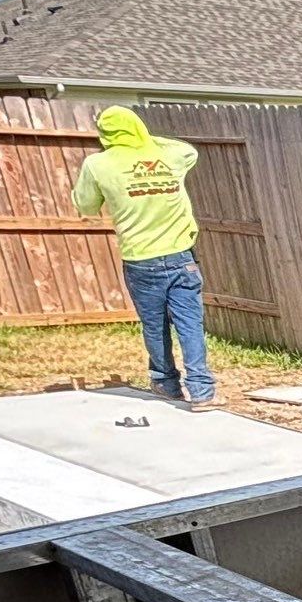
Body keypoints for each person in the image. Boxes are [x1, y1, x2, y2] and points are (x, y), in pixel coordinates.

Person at [72, 105, 214, 405]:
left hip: (140, 260)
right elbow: (188, 151)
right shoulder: (168, 156)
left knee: (155, 325)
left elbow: (85, 206)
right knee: (190, 324)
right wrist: (146, 140)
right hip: (181, 257)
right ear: (138, 126)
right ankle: (202, 391)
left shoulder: (97, 164)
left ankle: (166, 384)